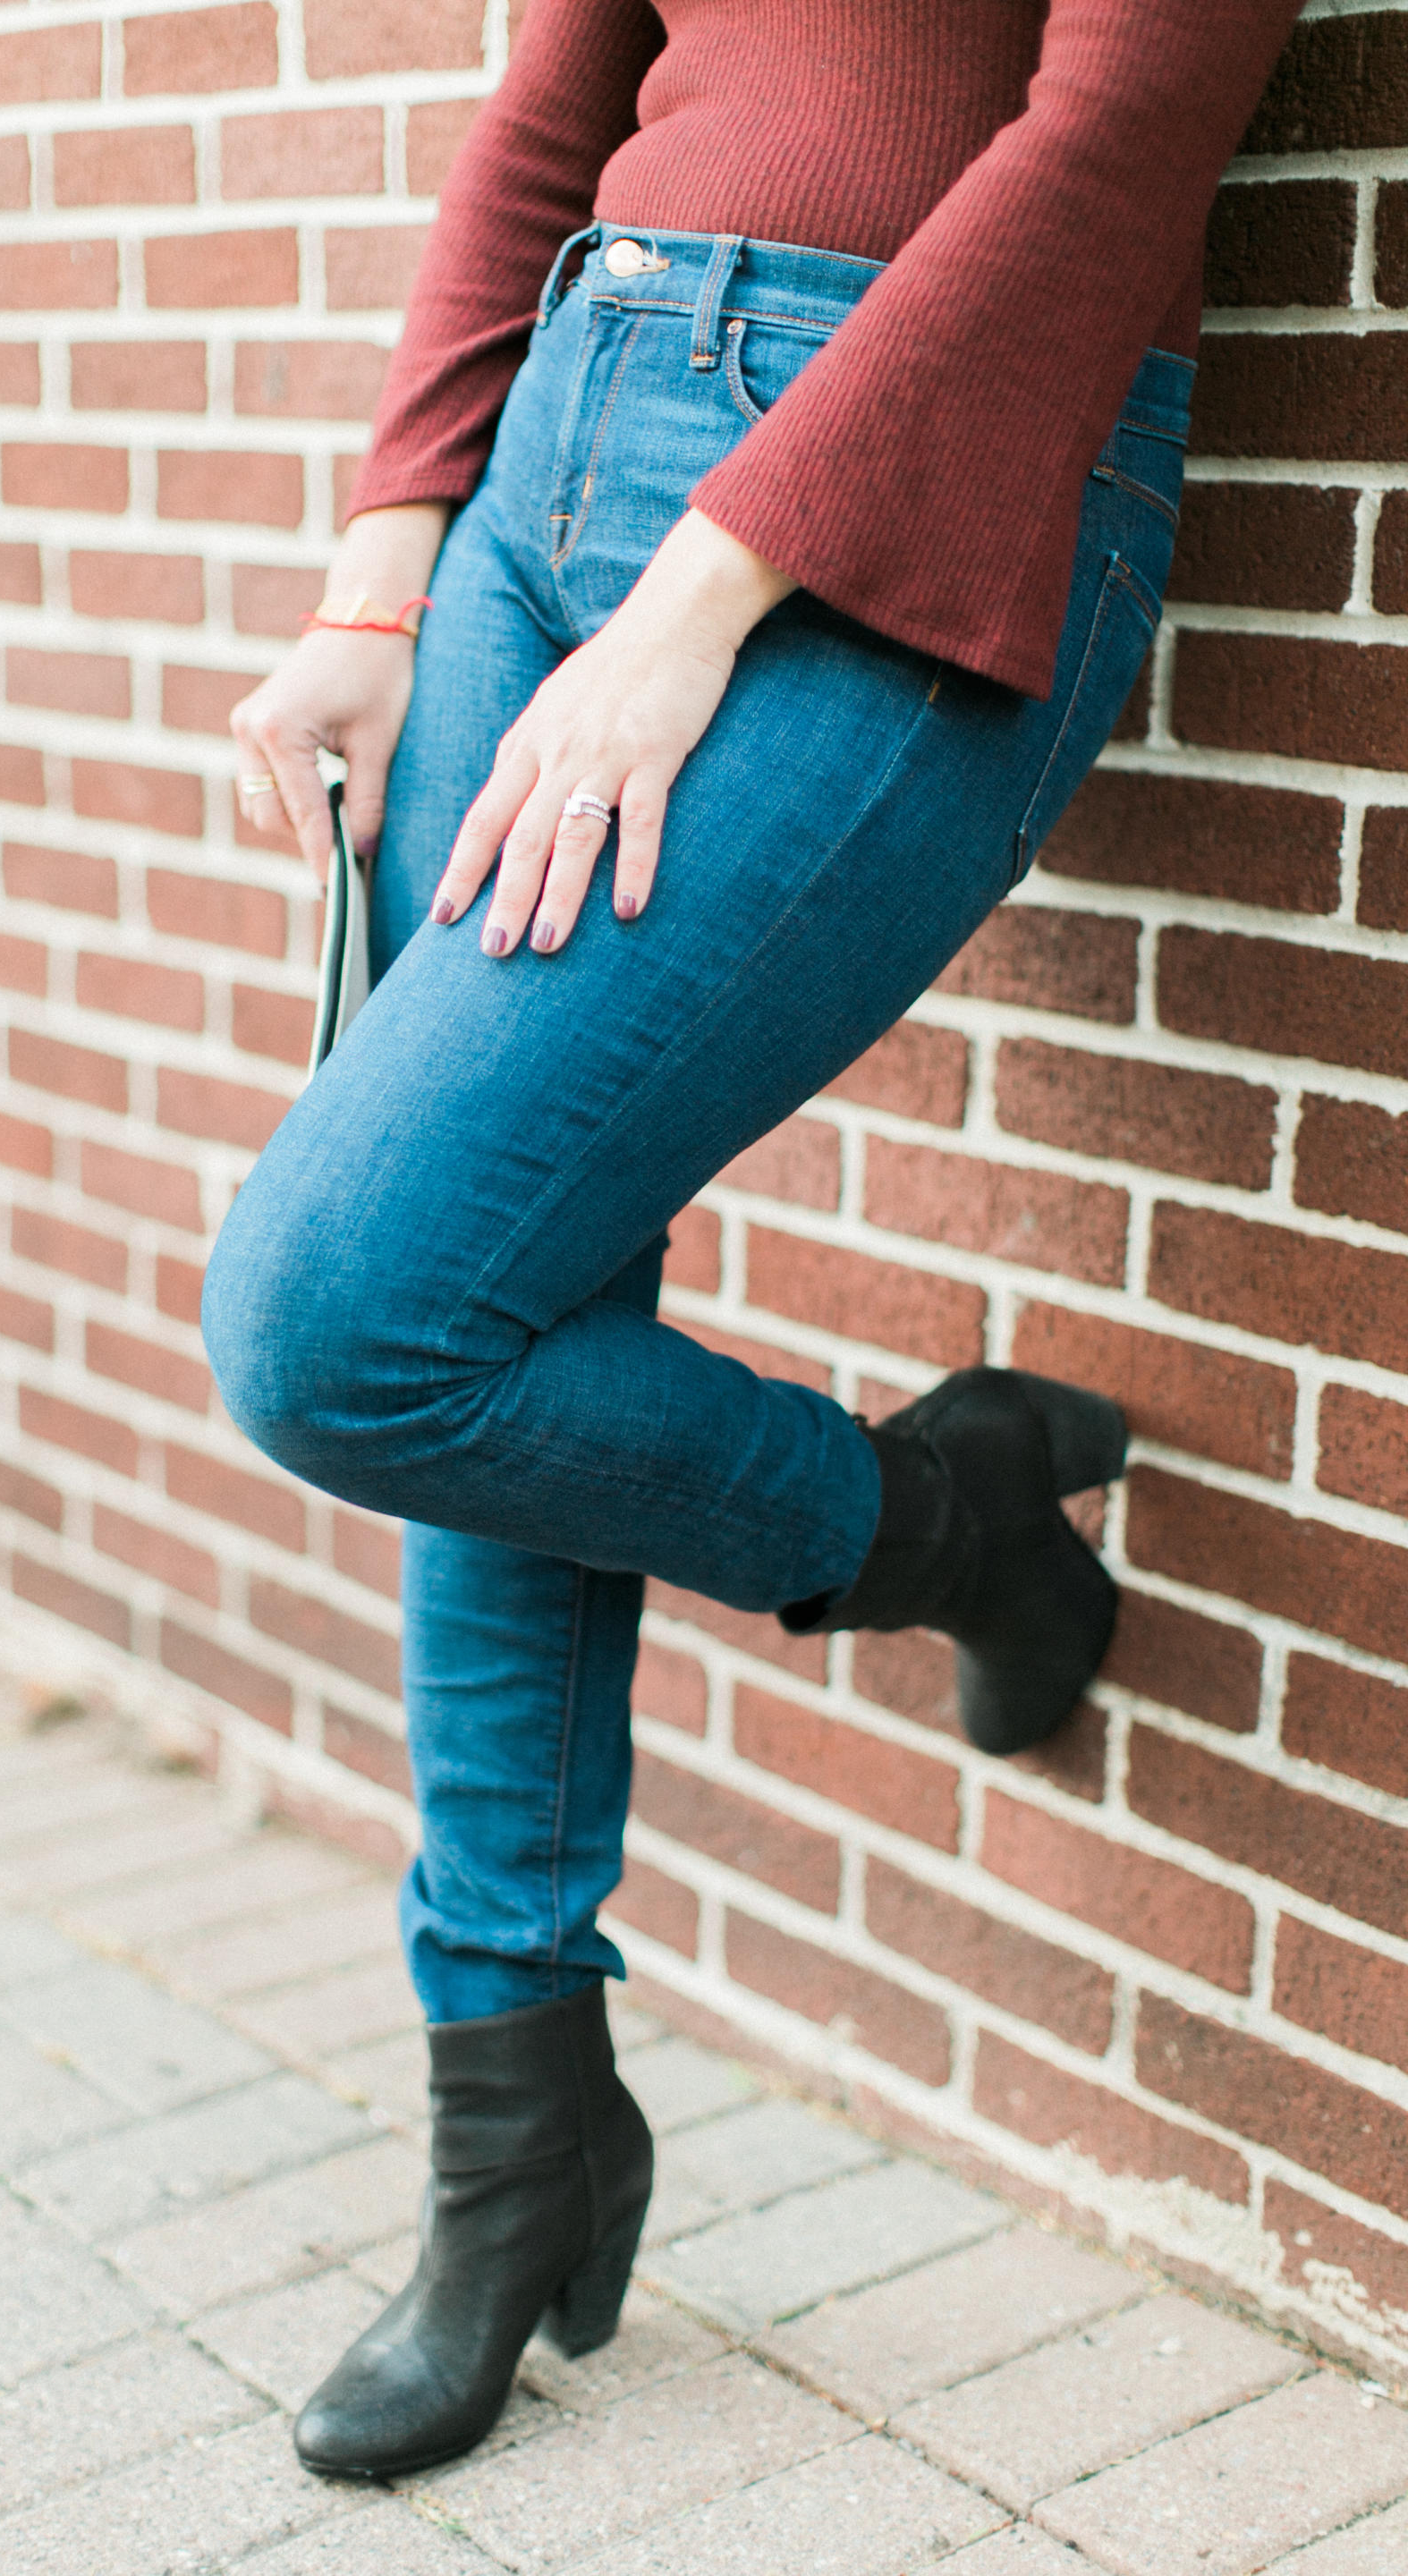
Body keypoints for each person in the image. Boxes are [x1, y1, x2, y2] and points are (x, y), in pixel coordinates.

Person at [202, 0, 1302, 2483]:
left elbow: (1120, 125)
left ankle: (942, 1521)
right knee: (490, 1293)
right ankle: (520, 2134)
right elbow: (557, 92)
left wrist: (694, 610)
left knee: (346, 1318)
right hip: (560, 450)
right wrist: (387, 573)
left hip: (913, 479)